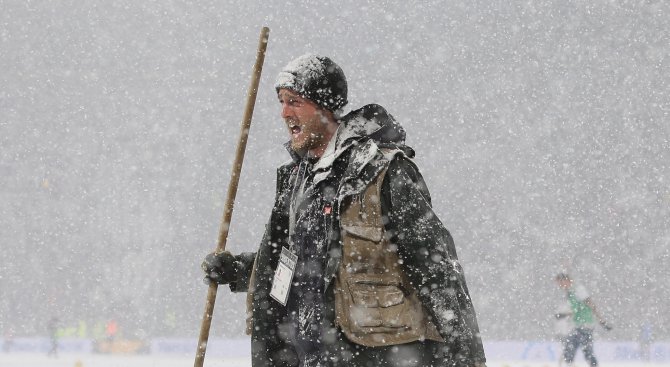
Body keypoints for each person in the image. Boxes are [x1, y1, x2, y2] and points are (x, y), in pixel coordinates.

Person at [202, 54, 486, 367]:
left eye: (294, 101)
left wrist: (468, 358)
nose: (284, 113)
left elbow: (437, 272)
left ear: (323, 106)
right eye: (282, 102)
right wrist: (243, 271)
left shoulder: (384, 172)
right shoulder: (297, 181)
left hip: (376, 355)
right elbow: (297, 264)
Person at [555, 273, 612, 367]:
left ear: (566, 280)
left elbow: (591, 304)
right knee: (573, 351)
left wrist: (602, 321)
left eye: (561, 283)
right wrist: (563, 315)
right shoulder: (570, 292)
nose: (560, 286)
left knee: (579, 351)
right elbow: (576, 310)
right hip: (578, 325)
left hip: (585, 325)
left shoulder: (578, 289)